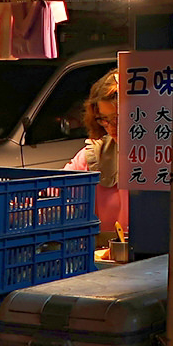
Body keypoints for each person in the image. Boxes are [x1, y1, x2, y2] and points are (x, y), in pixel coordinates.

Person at [66, 70, 128, 236]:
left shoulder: (166, 154)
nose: (111, 127)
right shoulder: (94, 154)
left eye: (118, 118)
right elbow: (55, 191)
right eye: (104, 119)